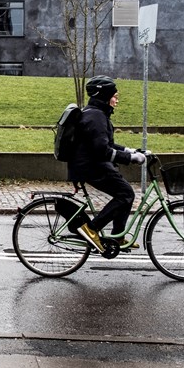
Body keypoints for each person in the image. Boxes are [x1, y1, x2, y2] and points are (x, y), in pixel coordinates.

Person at [67, 75, 146, 252]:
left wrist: (130, 150)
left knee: (125, 193)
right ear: (104, 96)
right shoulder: (96, 117)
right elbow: (102, 151)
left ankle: (118, 236)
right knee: (125, 194)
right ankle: (91, 228)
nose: (117, 100)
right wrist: (130, 159)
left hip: (90, 164)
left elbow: (106, 144)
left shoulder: (96, 114)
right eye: (115, 96)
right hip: (90, 166)